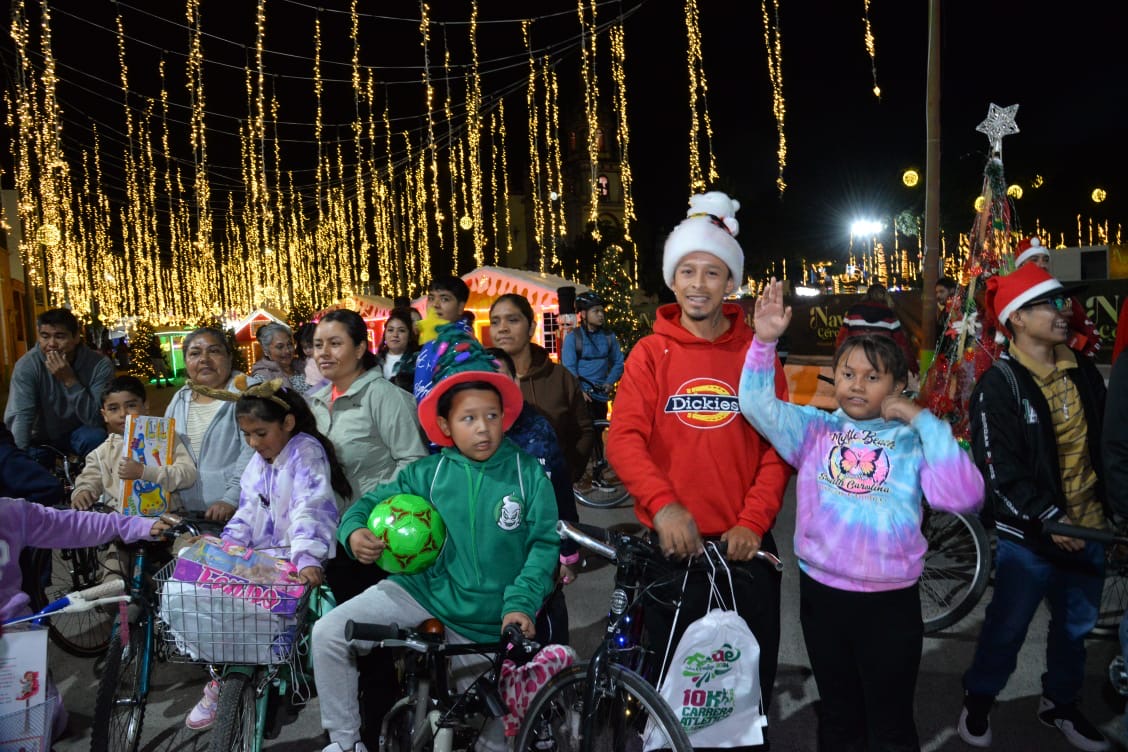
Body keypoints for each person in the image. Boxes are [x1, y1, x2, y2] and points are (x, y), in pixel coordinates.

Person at [741, 278, 984, 750]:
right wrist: (764, 341)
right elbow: (755, 404)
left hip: (890, 605)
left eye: (873, 377)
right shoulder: (814, 429)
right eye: (848, 373)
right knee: (838, 714)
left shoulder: (913, 441)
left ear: (898, 383)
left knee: (890, 724)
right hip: (822, 597)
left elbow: (965, 493)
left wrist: (919, 418)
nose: (857, 384)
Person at [605, 190, 793, 750]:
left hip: (743, 552)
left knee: (738, 696)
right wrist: (664, 506)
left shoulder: (756, 356)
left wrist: (753, 522)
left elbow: (777, 450)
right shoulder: (649, 353)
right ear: (671, 277)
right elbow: (624, 438)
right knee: (668, 698)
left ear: (730, 283)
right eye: (687, 269)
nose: (698, 283)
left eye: (712, 272)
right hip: (673, 553)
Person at [311, 335, 558, 752]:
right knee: (329, 632)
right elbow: (367, 503)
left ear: (505, 417)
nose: (483, 427)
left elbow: (543, 547)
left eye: (492, 415)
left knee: (495, 742)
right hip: (421, 590)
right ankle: (345, 742)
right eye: (468, 418)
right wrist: (353, 532)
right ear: (445, 426)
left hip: (489, 620)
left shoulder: (528, 474)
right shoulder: (428, 473)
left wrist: (520, 603)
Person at [958, 263, 1111, 751]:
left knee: (1075, 631)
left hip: (1090, 531)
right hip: (1031, 539)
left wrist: (1107, 513)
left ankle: (1060, 705)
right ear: (1016, 319)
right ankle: (978, 702)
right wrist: (1048, 518)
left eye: (1060, 302)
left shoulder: (1083, 371)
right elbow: (996, 470)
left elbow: (1105, 448)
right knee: (1006, 629)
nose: (1062, 312)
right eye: (1048, 304)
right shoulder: (1000, 384)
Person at [184, 379, 345, 730]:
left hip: (295, 562)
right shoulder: (259, 462)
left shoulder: (305, 451)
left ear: (287, 423)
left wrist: (307, 558)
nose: (254, 444)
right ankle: (224, 681)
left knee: (268, 631)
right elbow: (246, 513)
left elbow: (312, 506)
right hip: (262, 562)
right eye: (246, 435)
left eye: (260, 433)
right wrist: (226, 547)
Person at [307, 308, 428, 746]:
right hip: (335, 542)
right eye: (319, 344)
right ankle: (348, 733)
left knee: (375, 655)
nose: (324, 352)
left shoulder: (384, 397)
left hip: (377, 544)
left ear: (361, 348)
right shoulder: (316, 401)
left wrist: (372, 516)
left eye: (335, 343)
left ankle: (376, 736)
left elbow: (413, 463)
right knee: (343, 646)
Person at [0, 497, 169, 740]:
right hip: (18, 641)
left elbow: (69, 524)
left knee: (31, 725)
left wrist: (133, 525)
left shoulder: (10, 513)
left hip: (17, 646)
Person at [486, 346, 580, 644]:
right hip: (490, 566)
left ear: (514, 383)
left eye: (501, 379)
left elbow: (560, 492)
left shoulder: (537, 430)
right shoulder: (470, 435)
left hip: (538, 561)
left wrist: (568, 552)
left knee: (548, 647)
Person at [488, 293, 593, 483]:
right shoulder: (480, 381)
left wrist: (568, 473)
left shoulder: (560, 377)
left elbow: (584, 430)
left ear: (531, 328)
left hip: (553, 498)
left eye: (512, 320)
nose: (502, 328)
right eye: (495, 322)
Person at [164, 327, 257, 522]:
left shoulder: (247, 394)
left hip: (239, 511)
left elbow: (253, 452)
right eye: (195, 353)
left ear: (229, 357)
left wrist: (231, 498)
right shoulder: (179, 399)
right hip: (190, 513)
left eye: (214, 351)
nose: (204, 359)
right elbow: (167, 451)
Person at [71, 375, 197, 513]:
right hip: (123, 523)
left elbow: (188, 474)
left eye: (131, 405)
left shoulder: (166, 438)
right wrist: (82, 492)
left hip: (167, 516)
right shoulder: (101, 453)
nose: (123, 413)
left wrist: (144, 472)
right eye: (113, 408)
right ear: (104, 415)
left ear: (145, 406)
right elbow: (89, 479)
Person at [4, 308, 115, 464]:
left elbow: (96, 418)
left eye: (60, 336)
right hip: (38, 436)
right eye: (45, 336)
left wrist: (69, 380)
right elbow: (21, 415)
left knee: (96, 438)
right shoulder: (27, 365)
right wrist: (16, 462)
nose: (51, 344)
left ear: (76, 337)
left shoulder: (99, 365)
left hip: (78, 431)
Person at [1014, 236, 1100, 358]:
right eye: (1034, 260)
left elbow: (1090, 335)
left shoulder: (1061, 294)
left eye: (1045, 260)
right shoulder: (1010, 299)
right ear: (1020, 266)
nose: (1042, 264)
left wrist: (1081, 363)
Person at [560, 290, 625, 422]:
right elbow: (568, 367)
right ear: (583, 314)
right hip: (581, 397)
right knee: (584, 435)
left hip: (601, 397)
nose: (601, 315)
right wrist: (578, 392)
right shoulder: (573, 338)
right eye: (596, 311)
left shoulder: (608, 337)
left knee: (598, 434)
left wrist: (609, 382)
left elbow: (619, 362)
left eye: (602, 311)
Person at [835, 283, 919, 376]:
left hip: (856, 362)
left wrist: (839, 362)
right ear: (885, 296)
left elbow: (841, 340)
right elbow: (902, 345)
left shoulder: (853, 312)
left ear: (867, 295)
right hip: (882, 364)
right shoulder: (889, 315)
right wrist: (913, 366)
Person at [413, 275, 473, 403]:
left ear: (460, 307)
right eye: (431, 298)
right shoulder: (434, 336)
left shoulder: (462, 342)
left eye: (444, 299)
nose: (435, 305)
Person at [250, 322, 308, 391]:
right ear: (266, 351)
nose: (287, 351)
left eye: (289, 344)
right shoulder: (262, 378)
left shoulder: (303, 366)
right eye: (280, 347)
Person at [375, 307, 420, 394]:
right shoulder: (374, 361)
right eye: (390, 330)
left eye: (401, 331)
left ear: (409, 336)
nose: (395, 335)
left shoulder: (418, 361)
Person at [296, 321, 327, 394]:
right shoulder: (308, 359)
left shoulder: (323, 359)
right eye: (304, 347)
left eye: (310, 347)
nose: (307, 350)